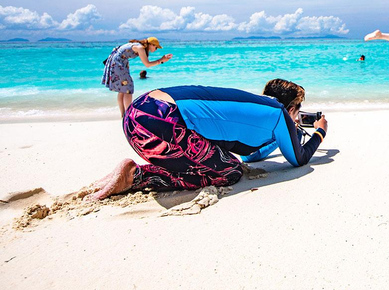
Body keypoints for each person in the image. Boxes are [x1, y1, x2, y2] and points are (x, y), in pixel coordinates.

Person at [88, 79, 328, 200]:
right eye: (298, 107)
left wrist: (286, 136)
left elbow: (251, 154)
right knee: (231, 172)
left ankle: (125, 175)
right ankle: (138, 176)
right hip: (165, 121)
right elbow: (299, 159)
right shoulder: (279, 114)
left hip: (138, 114)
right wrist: (319, 132)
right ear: (290, 107)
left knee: (223, 160)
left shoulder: (256, 106)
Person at [101, 37, 172, 117]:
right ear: (151, 44)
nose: (156, 49)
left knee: (122, 90)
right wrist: (161, 60)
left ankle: (123, 115)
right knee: (128, 88)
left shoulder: (139, 46)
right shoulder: (140, 47)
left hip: (117, 61)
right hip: (118, 63)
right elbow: (147, 64)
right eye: (156, 47)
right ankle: (128, 114)